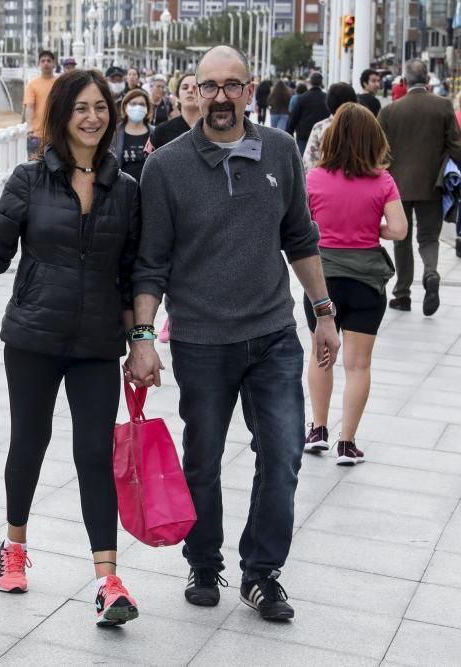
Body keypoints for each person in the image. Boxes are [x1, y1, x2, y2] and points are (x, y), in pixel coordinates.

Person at [128, 46, 338, 622]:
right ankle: (203, 561)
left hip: (273, 334)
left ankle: (262, 573)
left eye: (233, 86)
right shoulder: (165, 166)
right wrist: (143, 337)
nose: (221, 97)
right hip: (201, 339)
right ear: (193, 90)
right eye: (210, 85)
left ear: (251, 90)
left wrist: (324, 312)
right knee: (203, 456)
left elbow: (300, 236)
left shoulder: (281, 150)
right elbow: (151, 262)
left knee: (285, 451)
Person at [0, 69, 142, 627]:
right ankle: (14, 546)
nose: (93, 118)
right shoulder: (28, 181)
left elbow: (131, 273)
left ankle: (108, 581)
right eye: (81, 109)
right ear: (62, 116)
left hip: (97, 342)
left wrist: (141, 342)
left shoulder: (127, 188)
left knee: (94, 454)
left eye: (102, 108)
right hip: (33, 337)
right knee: (30, 442)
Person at [303, 103, 408, 465]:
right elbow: (399, 230)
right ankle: (347, 442)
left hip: (322, 284)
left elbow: (300, 227)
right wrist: (370, 229)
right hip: (366, 282)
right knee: (358, 365)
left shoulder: (314, 178)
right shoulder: (383, 180)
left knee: (322, 357)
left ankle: (317, 429)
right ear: (373, 139)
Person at [379, 59, 461, 315]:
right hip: (432, 185)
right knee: (428, 237)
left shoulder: (391, 111)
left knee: (401, 239)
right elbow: (457, 148)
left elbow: (378, 151)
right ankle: (431, 273)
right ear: (427, 81)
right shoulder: (444, 106)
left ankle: (402, 293)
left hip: (397, 188)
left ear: (404, 81)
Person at [301, 83, 358, 170]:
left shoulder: (320, 127)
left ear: (329, 102)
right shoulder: (363, 125)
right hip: (358, 178)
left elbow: (309, 163)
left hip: (326, 178)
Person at [150, 72, 199, 149]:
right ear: (178, 95)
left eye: (195, 88)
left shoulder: (215, 130)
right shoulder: (162, 131)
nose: (190, 91)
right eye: (185, 88)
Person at [23, 50, 58, 155]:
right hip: (36, 136)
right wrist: (29, 127)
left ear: (54, 64)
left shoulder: (60, 83)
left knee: (56, 168)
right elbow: (29, 107)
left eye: (48, 60)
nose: (46, 63)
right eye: (43, 61)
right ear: (39, 64)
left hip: (56, 136)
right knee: (34, 168)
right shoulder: (32, 84)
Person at [115, 89, 152, 182]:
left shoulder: (156, 133)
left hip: (150, 188)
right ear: (125, 107)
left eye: (142, 104)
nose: (138, 107)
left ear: (147, 109)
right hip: (122, 190)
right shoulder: (113, 134)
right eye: (133, 104)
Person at [287, 72, 328, 154]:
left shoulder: (302, 98)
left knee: (303, 163)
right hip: (323, 135)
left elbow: (294, 117)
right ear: (321, 82)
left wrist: (289, 132)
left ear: (310, 82)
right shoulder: (326, 98)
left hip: (304, 135)